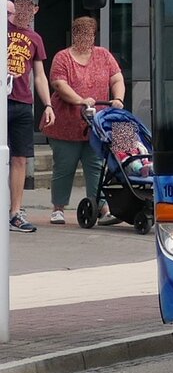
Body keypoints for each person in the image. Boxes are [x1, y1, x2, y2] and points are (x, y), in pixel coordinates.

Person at [45, 16, 125, 226]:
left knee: (96, 166)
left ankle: (101, 207)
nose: (86, 38)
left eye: (89, 34)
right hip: (66, 125)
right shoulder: (63, 58)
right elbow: (59, 85)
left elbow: (116, 78)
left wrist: (117, 98)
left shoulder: (103, 56)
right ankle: (58, 208)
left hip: (96, 126)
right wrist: (81, 100)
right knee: (64, 166)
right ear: (74, 34)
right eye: (81, 33)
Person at [8, 0, 54, 233]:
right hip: (2, 101)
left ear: (36, 10)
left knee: (20, 158)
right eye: (21, 4)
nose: (25, 10)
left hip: (23, 102)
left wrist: (47, 105)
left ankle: (15, 212)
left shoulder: (35, 39)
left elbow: (39, 76)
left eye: (30, 6)